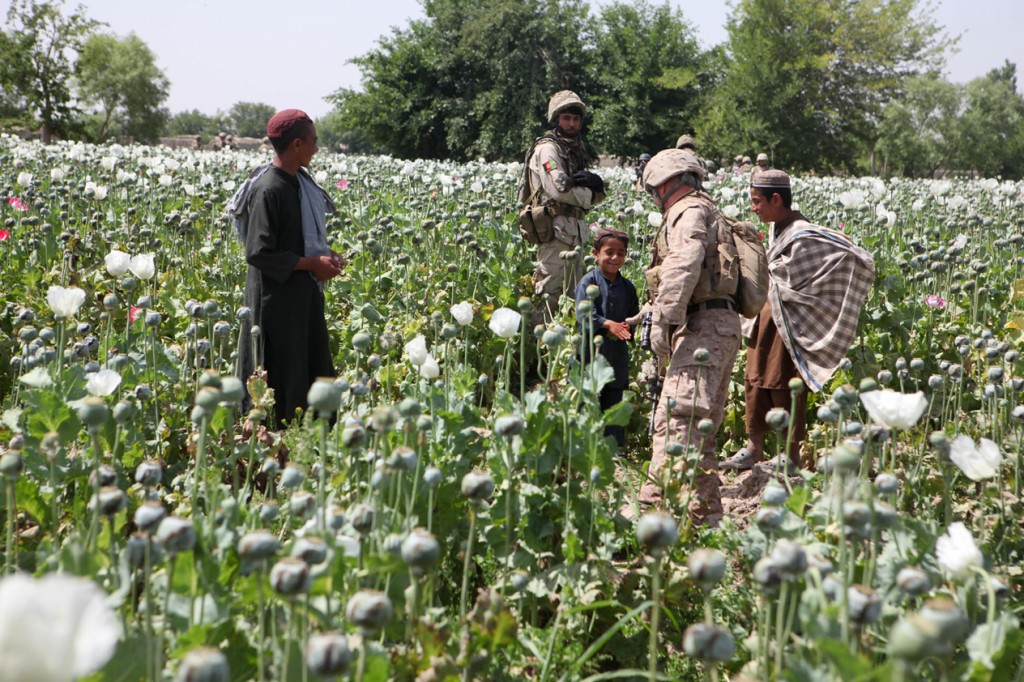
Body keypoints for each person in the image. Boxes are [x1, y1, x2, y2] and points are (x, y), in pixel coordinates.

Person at [722, 170, 875, 471]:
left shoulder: (804, 234)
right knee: (754, 381)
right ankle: (754, 449)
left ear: (776, 199)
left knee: (783, 383)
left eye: (757, 202)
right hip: (762, 321)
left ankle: (790, 457)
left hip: (788, 325)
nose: (753, 208)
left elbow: (850, 256)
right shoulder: (778, 230)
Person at [638, 149, 742, 523]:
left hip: (703, 329)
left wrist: (664, 321)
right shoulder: (709, 210)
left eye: (653, 189)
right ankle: (704, 515)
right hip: (718, 327)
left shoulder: (688, 212)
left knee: (677, 421)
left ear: (666, 183)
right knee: (702, 430)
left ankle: (657, 513)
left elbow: (684, 262)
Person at [229, 109, 345, 428]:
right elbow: (258, 252)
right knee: (281, 369)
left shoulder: (297, 184)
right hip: (275, 304)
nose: (316, 149)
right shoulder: (269, 189)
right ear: (296, 144)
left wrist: (325, 256)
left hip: (300, 297)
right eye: (313, 142)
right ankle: (276, 435)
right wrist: (311, 263)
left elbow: (300, 242)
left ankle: (309, 429)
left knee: (306, 362)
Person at [522, 90, 606, 326]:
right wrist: (590, 193)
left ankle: (564, 355)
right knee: (549, 297)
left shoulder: (574, 148)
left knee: (572, 301)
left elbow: (595, 194)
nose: (572, 123)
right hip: (555, 233)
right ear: (556, 119)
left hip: (574, 234)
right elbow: (558, 189)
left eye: (576, 119)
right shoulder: (548, 149)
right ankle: (535, 356)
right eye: (566, 118)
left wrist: (594, 186)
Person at [574, 228, 640, 447]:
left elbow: (633, 315)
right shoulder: (587, 282)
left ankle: (613, 446)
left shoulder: (628, 287)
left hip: (617, 353)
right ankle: (583, 443)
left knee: (614, 394)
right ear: (595, 253)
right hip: (590, 351)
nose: (615, 258)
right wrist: (606, 323)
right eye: (609, 252)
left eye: (621, 253)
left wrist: (630, 325)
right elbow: (584, 314)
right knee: (588, 393)